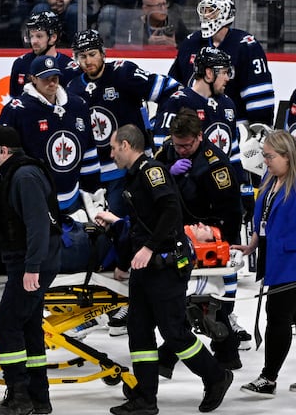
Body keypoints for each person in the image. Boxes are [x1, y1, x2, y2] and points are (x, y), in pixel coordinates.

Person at [94, 124, 234, 415]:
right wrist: (118, 224)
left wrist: (149, 248)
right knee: (139, 330)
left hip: (166, 265)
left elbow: (171, 212)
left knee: (175, 333)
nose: (111, 153)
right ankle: (146, 398)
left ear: (126, 145)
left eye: (113, 147)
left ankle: (216, 376)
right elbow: (146, 222)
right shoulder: (133, 176)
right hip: (145, 267)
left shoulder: (151, 172)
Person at [0, 125, 61, 415]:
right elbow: (6, 228)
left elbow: (38, 226)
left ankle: (18, 396)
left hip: (33, 262)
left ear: (4, 151)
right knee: (28, 326)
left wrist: (32, 267)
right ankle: (38, 397)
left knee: (9, 322)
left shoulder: (24, 176)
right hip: (22, 260)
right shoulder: (9, 175)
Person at [234, 130, 296, 398]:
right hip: (275, 258)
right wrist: (252, 244)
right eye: (264, 156)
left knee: (277, 316)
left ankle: (268, 377)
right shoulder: (270, 178)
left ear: (288, 156)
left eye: (270, 156)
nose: (266, 161)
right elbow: (261, 216)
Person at [153, 108, 242, 371]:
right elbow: (153, 176)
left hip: (209, 239)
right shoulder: (169, 150)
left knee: (211, 301)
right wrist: (170, 171)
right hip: (179, 236)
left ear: (199, 137)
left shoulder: (216, 166)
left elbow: (231, 211)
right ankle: (225, 354)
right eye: (177, 144)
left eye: (186, 146)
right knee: (186, 298)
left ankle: (222, 354)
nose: (181, 150)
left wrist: (224, 246)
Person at [65, 29, 179, 214]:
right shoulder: (73, 87)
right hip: (95, 173)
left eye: (92, 54)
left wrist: (161, 123)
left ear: (103, 53)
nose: (88, 61)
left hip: (130, 167)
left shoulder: (123, 72)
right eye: (82, 56)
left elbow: (172, 90)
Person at [0, 54, 99, 214]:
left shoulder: (78, 105)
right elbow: (0, 156)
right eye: (46, 78)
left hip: (72, 199)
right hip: (35, 202)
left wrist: (92, 189)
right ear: (33, 79)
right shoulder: (17, 111)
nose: (52, 83)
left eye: (55, 78)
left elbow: (88, 150)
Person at [170, 0, 275, 127]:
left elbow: (258, 92)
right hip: (193, 127)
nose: (206, 15)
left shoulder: (246, 45)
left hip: (235, 126)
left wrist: (260, 126)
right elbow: (175, 86)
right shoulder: (191, 43)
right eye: (205, 10)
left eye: (212, 11)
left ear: (226, 13)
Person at [8, 10, 81, 99]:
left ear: (53, 37)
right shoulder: (20, 64)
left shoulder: (70, 69)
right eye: (31, 36)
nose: (34, 41)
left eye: (39, 36)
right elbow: (14, 102)